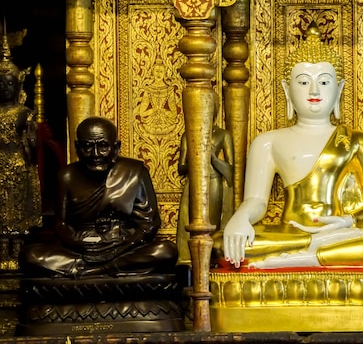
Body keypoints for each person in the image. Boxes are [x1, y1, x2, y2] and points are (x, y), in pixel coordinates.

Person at [214, 23, 363, 269]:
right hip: (292, 235)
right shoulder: (268, 142)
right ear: (286, 90)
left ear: (339, 89)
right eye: (302, 82)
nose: (314, 91)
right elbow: (256, 201)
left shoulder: (360, 142)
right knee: (221, 245)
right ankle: (312, 254)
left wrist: (349, 221)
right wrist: (241, 218)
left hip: (344, 233)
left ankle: (302, 260)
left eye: (323, 82)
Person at [21, 116, 178, 278]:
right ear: (77, 147)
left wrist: (123, 246)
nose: (95, 154)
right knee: (30, 255)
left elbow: (149, 224)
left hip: (122, 246)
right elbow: (61, 224)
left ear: (116, 147)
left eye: (103, 146)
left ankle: (96, 272)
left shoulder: (133, 172)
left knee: (166, 250)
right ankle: (104, 271)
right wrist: (77, 244)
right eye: (87, 146)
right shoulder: (66, 176)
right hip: (81, 250)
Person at [176, 97, 234, 267]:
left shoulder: (223, 135)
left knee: (212, 223)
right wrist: (196, 158)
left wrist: (212, 157)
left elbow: (230, 170)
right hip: (194, 185)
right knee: (193, 222)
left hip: (214, 182)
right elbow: (181, 167)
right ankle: (191, 260)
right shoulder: (188, 135)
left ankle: (212, 260)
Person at [0, 33, 41, 269]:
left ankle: (16, 254)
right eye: (1, 83)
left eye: (9, 83)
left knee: (15, 212)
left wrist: (31, 137)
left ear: (18, 86)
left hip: (17, 166)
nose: (5, 88)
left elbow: (31, 146)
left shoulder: (23, 113)